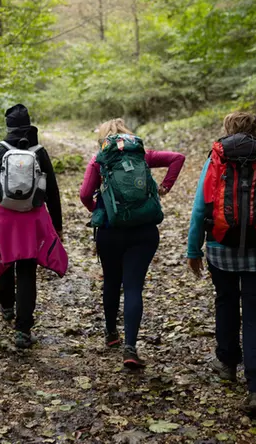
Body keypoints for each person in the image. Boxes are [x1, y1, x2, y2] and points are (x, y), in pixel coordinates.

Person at [186, 112, 256, 415]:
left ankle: (228, 363)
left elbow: (199, 209)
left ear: (226, 131)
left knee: (227, 303)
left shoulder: (216, 161)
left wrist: (194, 251)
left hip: (222, 249)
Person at [79, 118, 185, 368]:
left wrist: (99, 212)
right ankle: (131, 348)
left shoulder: (100, 159)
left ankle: (111, 334)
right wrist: (165, 187)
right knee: (134, 286)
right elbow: (177, 158)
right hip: (144, 231)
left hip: (110, 231)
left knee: (112, 281)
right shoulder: (143, 155)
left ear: (103, 137)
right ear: (128, 135)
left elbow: (84, 194)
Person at [0, 104, 67, 349]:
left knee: (3, 260)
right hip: (30, 218)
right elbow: (52, 191)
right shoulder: (39, 151)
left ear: (8, 127)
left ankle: (6, 305)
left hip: (0, 218)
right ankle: (23, 331)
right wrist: (57, 226)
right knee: (26, 270)